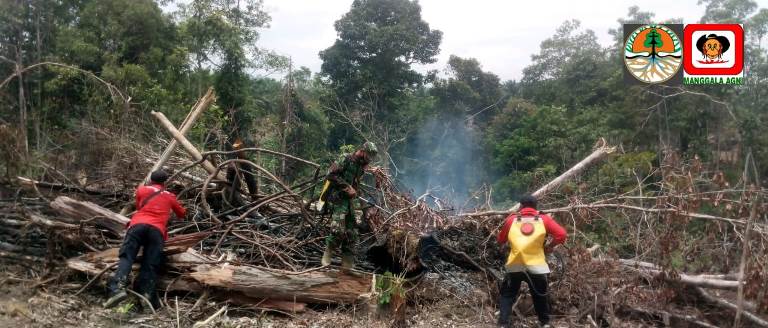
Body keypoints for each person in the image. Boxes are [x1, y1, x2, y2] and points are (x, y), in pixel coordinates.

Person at [104, 170, 186, 309]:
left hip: (137, 226)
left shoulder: (142, 190)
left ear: (151, 180)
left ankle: (117, 289)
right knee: (151, 263)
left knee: (127, 257)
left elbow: (139, 206)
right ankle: (146, 294)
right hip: (157, 231)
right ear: (165, 182)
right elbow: (182, 214)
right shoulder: (170, 196)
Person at [497, 194, 567, 328]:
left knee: (508, 294)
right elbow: (562, 234)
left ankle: (503, 324)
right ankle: (545, 323)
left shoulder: (511, 220)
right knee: (539, 295)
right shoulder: (544, 219)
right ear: (536, 207)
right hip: (537, 266)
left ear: (521, 206)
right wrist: (550, 246)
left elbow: (500, 240)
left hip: (515, 264)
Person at [319, 141, 377, 268]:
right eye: (368, 156)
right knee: (337, 230)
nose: (369, 160)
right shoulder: (346, 158)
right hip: (337, 198)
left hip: (348, 201)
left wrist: (365, 210)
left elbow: (356, 187)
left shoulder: (360, 167)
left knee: (352, 233)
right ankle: (326, 257)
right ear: (362, 152)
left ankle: (347, 265)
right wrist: (346, 187)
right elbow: (330, 175)